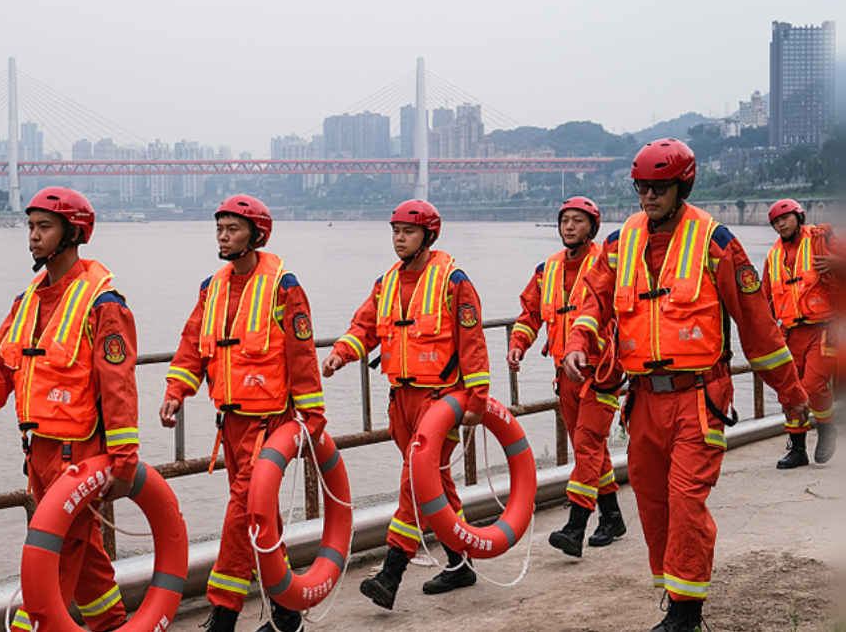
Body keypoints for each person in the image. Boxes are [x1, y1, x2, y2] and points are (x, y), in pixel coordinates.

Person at [562, 139, 809, 632]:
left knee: (686, 502)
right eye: (641, 188)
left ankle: (686, 614)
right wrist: (577, 340)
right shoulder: (619, 243)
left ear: (682, 186)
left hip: (700, 399)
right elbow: (593, 298)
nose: (648, 196)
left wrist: (793, 396)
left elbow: (759, 328)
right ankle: (676, 595)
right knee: (653, 505)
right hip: (643, 400)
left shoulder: (716, 243)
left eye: (659, 187)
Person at [0, 187, 138, 632]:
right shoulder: (26, 304)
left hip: (79, 455)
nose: (33, 237)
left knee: (54, 556)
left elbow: (118, 389)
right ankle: (114, 626)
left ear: (72, 233)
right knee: (85, 556)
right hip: (38, 453)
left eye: (44, 227)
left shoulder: (103, 304)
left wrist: (124, 461)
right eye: (31, 227)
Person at [159, 195, 326, 632]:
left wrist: (312, 421)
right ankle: (288, 615)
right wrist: (176, 390)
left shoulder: (283, 286)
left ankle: (223, 613)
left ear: (256, 235)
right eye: (219, 228)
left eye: (232, 229)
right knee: (261, 517)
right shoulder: (211, 288)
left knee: (243, 513)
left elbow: (302, 356)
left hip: (270, 425)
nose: (223, 236)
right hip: (229, 424)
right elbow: (192, 346)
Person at [321, 199, 489, 610]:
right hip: (401, 400)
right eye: (395, 231)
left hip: (441, 401)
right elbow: (365, 327)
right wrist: (341, 353)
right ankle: (459, 561)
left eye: (407, 232)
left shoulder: (454, 281)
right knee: (435, 484)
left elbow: (473, 344)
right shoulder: (388, 282)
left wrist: (477, 400)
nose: (398, 238)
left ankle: (391, 571)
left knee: (414, 481)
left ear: (428, 236)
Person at [507, 197, 627, 557]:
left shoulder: (607, 264)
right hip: (566, 376)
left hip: (602, 372)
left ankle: (576, 526)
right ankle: (613, 517)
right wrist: (518, 344)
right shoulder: (548, 270)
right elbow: (530, 314)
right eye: (565, 221)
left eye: (578, 221)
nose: (569, 227)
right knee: (589, 449)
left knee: (588, 446)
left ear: (593, 227)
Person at [763, 198, 841, 467]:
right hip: (790, 333)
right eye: (775, 221)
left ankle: (827, 429)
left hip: (824, 328)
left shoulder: (821, 239)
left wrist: (836, 262)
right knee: (790, 391)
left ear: (799, 216)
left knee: (812, 384)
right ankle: (797, 449)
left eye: (785, 218)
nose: (780, 224)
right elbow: (763, 299)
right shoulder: (773, 256)